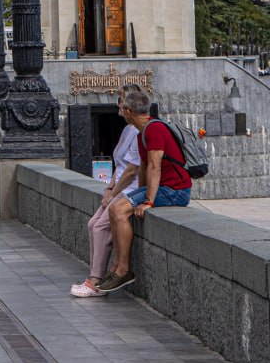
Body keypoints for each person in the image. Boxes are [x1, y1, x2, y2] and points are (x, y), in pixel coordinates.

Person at [98, 90, 193, 293]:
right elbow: (142, 167)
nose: (119, 109)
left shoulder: (154, 130)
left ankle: (123, 270)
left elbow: (154, 167)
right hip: (162, 188)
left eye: (121, 107)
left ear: (129, 111)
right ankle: (115, 267)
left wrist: (148, 200)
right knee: (117, 207)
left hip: (175, 190)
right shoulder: (142, 133)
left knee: (118, 210)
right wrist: (138, 195)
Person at [70, 84, 143, 297]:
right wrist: (109, 187)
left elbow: (132, 170)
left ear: (129, 105)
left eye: (121, 100)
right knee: (93, 224)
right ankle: (98, 277)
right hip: (118, 187)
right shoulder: (127, 129)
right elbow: (119, 164)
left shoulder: (138, 133)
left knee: (101, 227)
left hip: (128, 189)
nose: (117, 104)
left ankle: (95, 281)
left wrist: (113, 192)